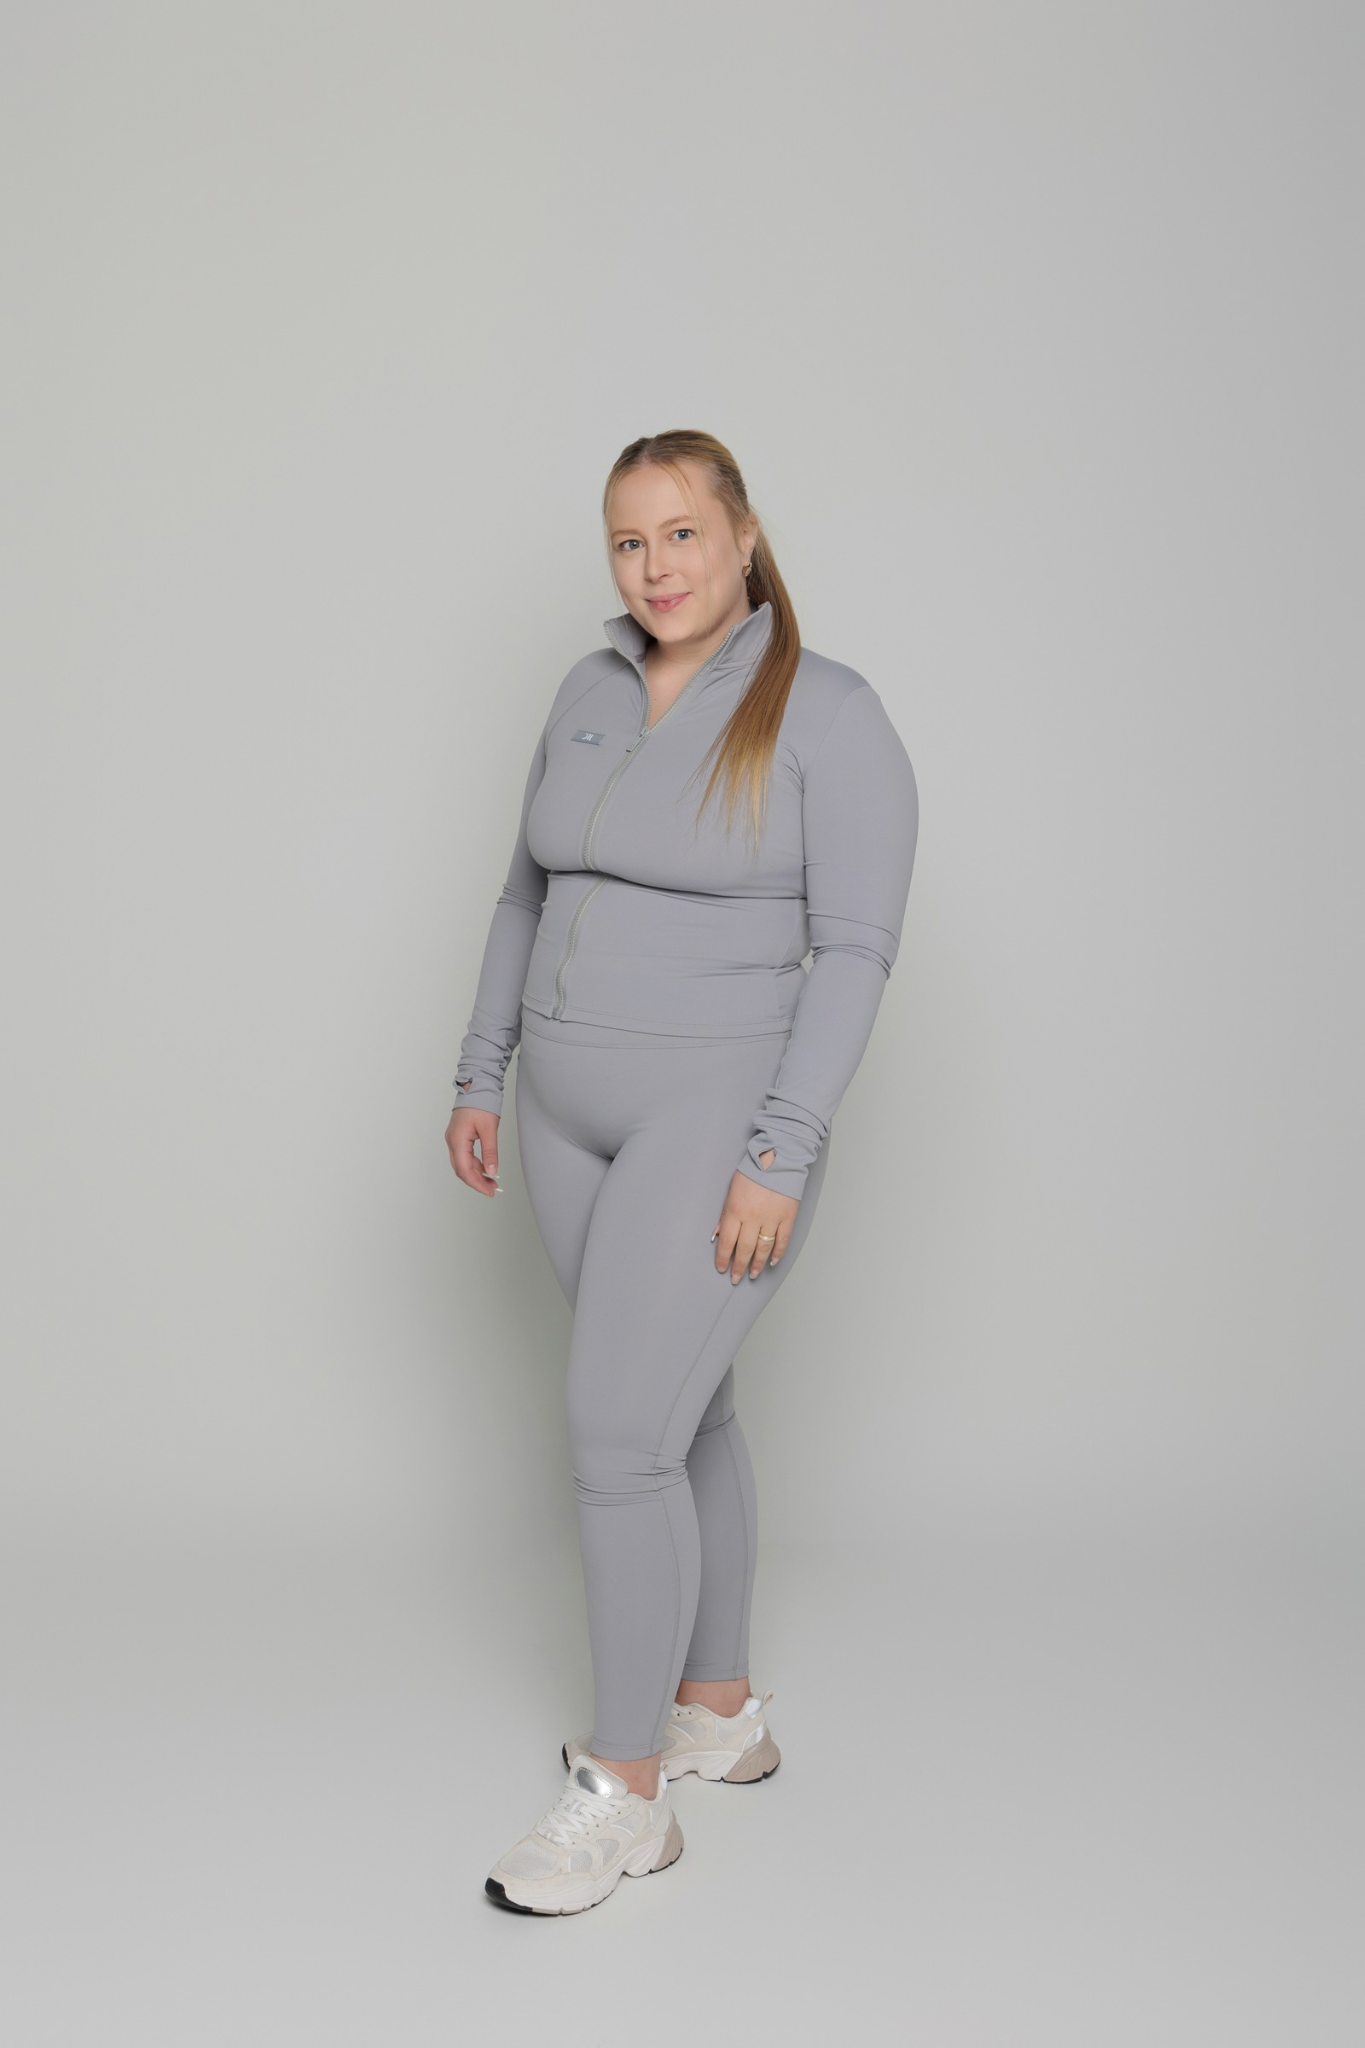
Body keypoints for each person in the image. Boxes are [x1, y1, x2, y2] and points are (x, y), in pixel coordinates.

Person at [446, 429, 919, 1915]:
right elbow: (523, 892)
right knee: (679, 1407)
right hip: (560, 1111)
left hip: (714, 1115)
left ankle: (627, 1792)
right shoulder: (587, 693)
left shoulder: (829, 714)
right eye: (628, 542)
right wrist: (481, 1068)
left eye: (682, 535)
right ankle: (719, 1708)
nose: (655, 569)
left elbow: (856, 952)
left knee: (614, 1434)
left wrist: (782, 1151)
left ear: (744, 536)